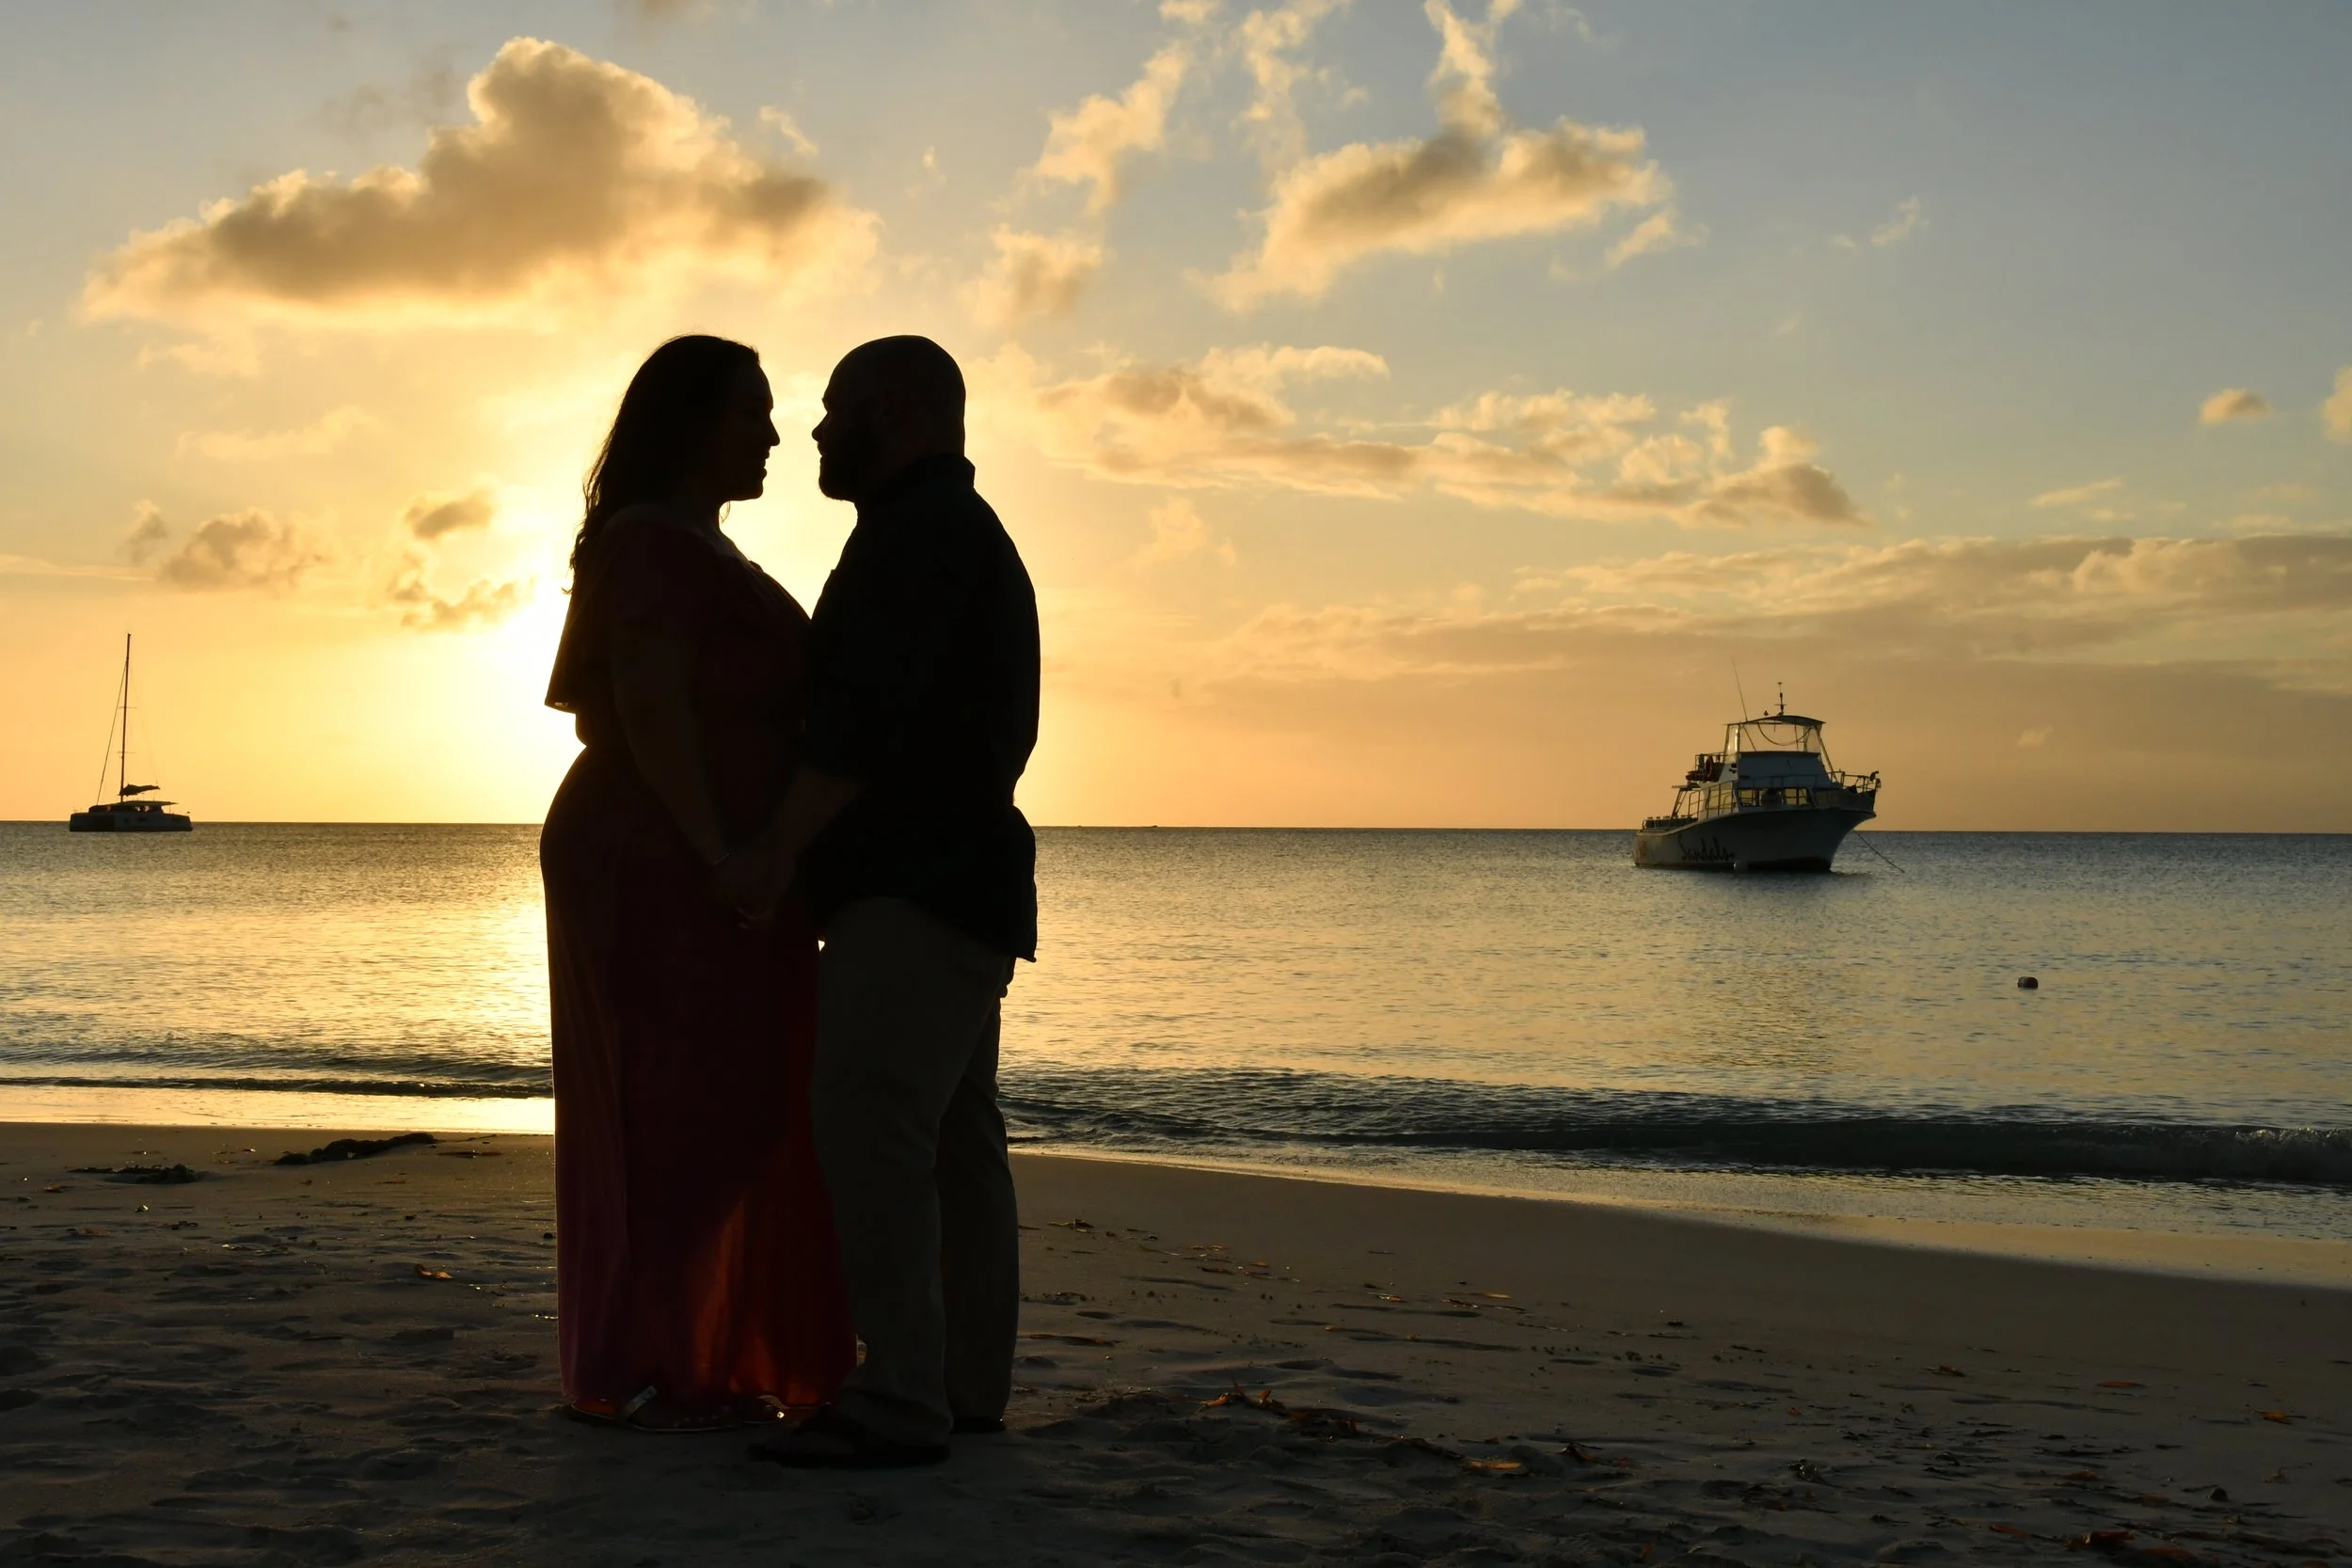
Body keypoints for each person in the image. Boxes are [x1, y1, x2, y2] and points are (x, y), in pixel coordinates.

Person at [728, 336, 1041, 1469]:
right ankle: (959, 1385)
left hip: (914, 885)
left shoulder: (920, 536)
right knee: (951, 1137)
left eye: (834, 407)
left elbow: (855, 725)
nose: (815, 430)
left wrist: (773, 850)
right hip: (961, 883)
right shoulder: (949, 531)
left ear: (895, 411)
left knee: (874, 1127)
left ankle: (905, 1390)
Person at [540, 334, 855, 1431]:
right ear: (689, 425)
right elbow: (642, 704)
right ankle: (653, 1351)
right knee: (672, 1096)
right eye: (750, 411)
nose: (772, 433)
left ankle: (696, 1345)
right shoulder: (648, 543)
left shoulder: (694, 546)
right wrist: (722, 850)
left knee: (732, 1096)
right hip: (657, 854)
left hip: (705, 851)